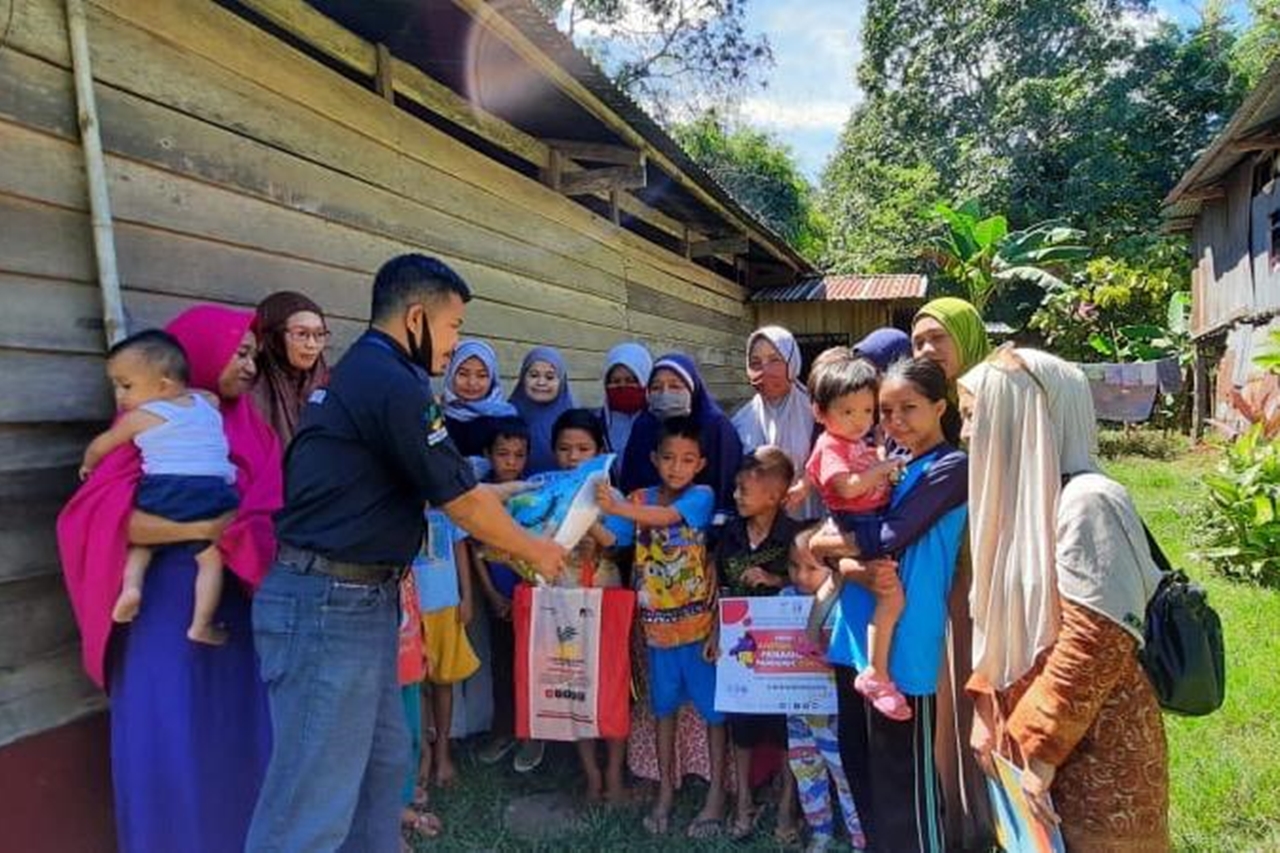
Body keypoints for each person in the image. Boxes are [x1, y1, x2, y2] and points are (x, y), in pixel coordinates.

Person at [246, 254, 565, 853]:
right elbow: (463, 507)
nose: (456, 344)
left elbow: (429, 486)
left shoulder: (373, 375)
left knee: (381, 768)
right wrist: (537, 551)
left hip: (361, 601)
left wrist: (495, 493)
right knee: (308, 805)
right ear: (416, 318)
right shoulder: (393, 383)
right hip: (326, 606)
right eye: (453, 327)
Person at [58, 305, 281, 853]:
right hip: (163, 606)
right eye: (240, 350)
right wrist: (205, 525)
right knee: (172, 731)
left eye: (255, 352)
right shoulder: (147, 423)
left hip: (239, 601)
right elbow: (103, 521)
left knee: (239, 732)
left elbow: (275, 507)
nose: (250, 364)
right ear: (201, 352)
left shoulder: (252, 427)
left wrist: (248, 536)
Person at [958, 348, 1169, 852]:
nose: (965, 433)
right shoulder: (1019, 503)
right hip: (1032, 741)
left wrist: (1040, 752)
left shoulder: (1089, 502)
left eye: (972, 415)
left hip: (1096, 749)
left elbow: (1096, 639)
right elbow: (997, 618)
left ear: (1023, 412)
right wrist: (987, 711)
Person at [797, 357, 968, 853]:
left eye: (908, 408)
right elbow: (853, 551)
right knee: (862, 766)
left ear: (940, 407)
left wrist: (827, 544)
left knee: (902, 780)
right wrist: (832, 553)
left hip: (906, 637)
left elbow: (889, 536)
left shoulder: (949, 467)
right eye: (886, 410)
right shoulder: (888, 462)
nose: (894, 421)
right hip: (858, 635)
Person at [599, 417, 726, 839]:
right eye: (668, 458)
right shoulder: (637, 498)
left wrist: (617, 506)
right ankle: (665, 793)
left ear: (701, 464)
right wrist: (580, 508)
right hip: (654, 633)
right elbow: (610, 538)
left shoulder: (701, 497)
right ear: (654, 459)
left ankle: (715, 799)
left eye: (687, 459)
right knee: (662, 712)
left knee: (714, 715)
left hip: (699, 630)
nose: (676, 467)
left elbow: (665, 516)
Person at [79, 330, 241, 645]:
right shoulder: (206, 403)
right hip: (215, 492)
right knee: (210, 560)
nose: (120, 396)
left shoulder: (140, 416)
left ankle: (132, 588)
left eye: (126, 385)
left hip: (165, 488)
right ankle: (201, 625)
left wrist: (89, 463)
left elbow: (103, 444)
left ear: (162, 386)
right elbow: (209, 396)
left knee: (140, 547)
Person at [911, 297, 994, 852]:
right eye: (918, 342)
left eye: (937, 338)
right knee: (950, 699)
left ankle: (992, 816)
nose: (927, 350)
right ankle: (955, 814)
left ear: (966, 337)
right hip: (946, 574)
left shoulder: (992, 398)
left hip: (991, 571)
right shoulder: (926, 409)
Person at [806, 353, 909, 720]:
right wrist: (883, 467)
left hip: (862, 516)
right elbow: (848, 489)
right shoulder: (831, 446)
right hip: (859, 520)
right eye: (847, 412)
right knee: (891, 596)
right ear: (820, 412)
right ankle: (875, 674)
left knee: (848, 583)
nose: (859, 421)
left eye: (867, 411)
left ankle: (816, 637)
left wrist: (878, 456)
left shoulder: (852, 442)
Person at [711, 447, 802, 842]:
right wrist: (714, 633)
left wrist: (776, 580)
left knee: (787, 729)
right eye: (735, 488)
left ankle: (787, 805)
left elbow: (811, 583)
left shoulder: (796, 536)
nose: (736, 496)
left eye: (744, 489)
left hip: (784, 651)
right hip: (738, 650)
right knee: (741, 727)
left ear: (774, 494)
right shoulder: (727, 534)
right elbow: (717, 587)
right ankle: (744, 801)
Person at [545, 408, 629, 800]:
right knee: (573, 684)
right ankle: (590, 772)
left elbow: (619, 543)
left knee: (612, 687)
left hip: (605, 599)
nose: (573, 457)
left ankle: (614, 772)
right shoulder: (544, 491)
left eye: (583, 448)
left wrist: (584, 517)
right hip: (561, 599)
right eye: (564, 449)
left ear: (600, 450)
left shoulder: (612, 497)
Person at [785, 547, 867, 853]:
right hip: (796, 711)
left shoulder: (841, 607)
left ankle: (860, 836)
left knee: (843, 772)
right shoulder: (783, 600)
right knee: (805, 769)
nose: (801, 576)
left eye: (811, 568)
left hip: (834, 710)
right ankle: (821, 830)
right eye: (794, 566)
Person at [472, 418, 538, 771]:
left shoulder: (535, 494)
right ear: (487, 455)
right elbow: (474, 550)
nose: (511, 462)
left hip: (531, 598)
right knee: (502, 666)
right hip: (497, 599)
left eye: (518, 455)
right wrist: (492, 596)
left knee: (532, 667)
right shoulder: (479, 495)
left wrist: (529, 592)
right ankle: (504, 730)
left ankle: (533, 734)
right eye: (502, 454)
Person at [620, 352, 744, 519]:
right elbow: (632, 481)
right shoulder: (644, 426)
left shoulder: (716, 426)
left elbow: (726, 485)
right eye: (656, 387)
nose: (665, 394)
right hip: (644, 529)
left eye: (675, 386)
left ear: (692, 388)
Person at [412, 504, 478, 788]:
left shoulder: (447, 503)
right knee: (416, 685)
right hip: (408, 608)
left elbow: (460, 547)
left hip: (445, 604)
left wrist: (467, 596)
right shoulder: (397, 498)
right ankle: (422, 753)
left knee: (444, 682)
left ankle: (443, 753)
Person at [731, 326, 821, 521]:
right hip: (761, 527)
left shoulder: (817, 413)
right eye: (756, 363)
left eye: (775, 360)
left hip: (810, 520)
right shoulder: (740, 422)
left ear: (792, 362)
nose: (765, 369)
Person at [251, 291, 330, 446]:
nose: (312, 345)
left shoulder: (330, 384)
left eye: (319, 334)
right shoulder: (251, 387)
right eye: (301, 334)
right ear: (274, 337)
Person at [443, 339, 518, 459]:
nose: (472, 383)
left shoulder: (507, 419)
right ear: (450, 374)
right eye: (463, 374)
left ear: (492, 378)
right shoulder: (436, 413)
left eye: (482, 375)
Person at [509, 345, 575, 475]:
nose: (541, 382)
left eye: (550, 377)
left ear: (561, 382)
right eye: (533, 375)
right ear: (523, 378)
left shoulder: (573, 420)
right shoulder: (507, 416)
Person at [598, 341, 654, 473]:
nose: (622, 386)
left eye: (631, 381)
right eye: (615, 381)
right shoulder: (598, 424)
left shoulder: (658, 420)